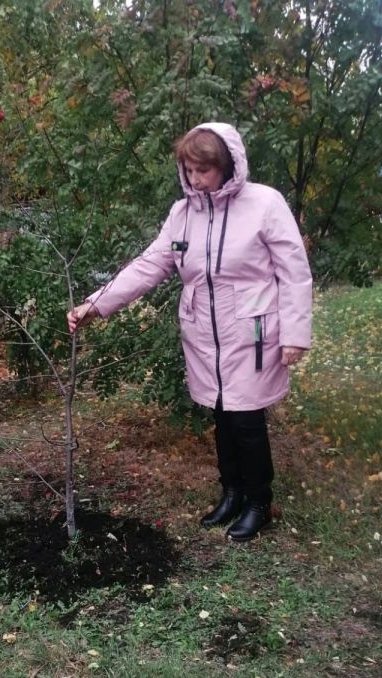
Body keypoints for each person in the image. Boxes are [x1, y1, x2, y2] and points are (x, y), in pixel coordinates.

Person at [68, 122, 312, 541]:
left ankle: (258, 503)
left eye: (205, 170)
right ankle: (232, 494)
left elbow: (294, 273)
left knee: (248, 422)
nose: (196, 179)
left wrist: (294, 334)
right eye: (190, 170)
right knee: (222, 415)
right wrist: (97, 303)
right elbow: (149, 265)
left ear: (227, 165)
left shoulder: (265, 204)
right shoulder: (183, 215)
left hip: (251, 335)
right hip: (205, 335)